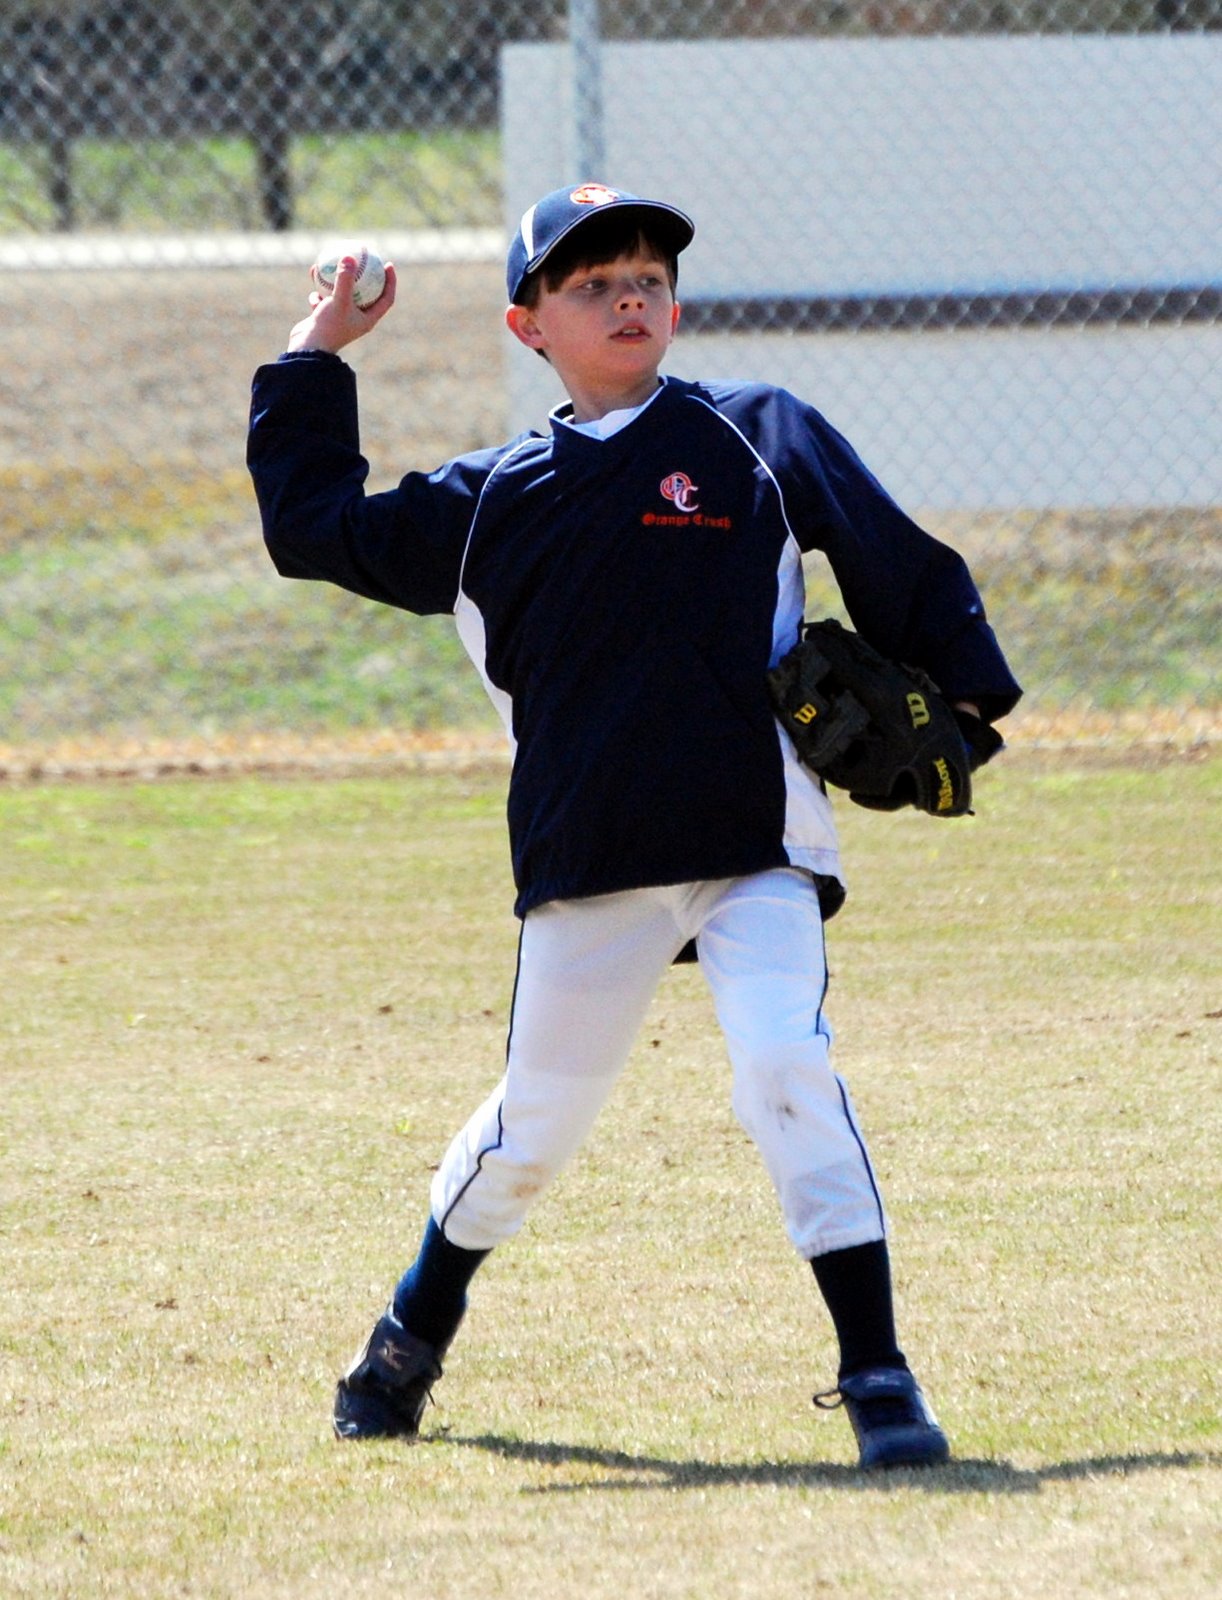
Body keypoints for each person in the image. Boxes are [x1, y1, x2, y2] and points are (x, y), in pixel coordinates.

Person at [247, 182, 1022, 1469]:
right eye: (591, 279)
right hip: (589, 854)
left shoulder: (753, 437)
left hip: (750, 839)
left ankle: (878, 1373)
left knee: (784, 1062)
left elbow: (893, 556)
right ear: (526, 323)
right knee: (529, 1135)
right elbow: (315, 528)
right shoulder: (492, 502)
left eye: (649, 273)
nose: (629, 294)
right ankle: (407, 1333)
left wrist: (968, 702)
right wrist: (313, 354)